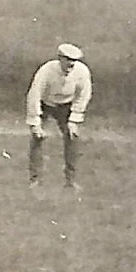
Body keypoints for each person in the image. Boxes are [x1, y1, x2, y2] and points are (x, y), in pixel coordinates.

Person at [25, 43, 93, 190]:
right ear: (60, 58)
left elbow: (84, 95)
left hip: (66, 106)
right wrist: (35, 122)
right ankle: (35, 180)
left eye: (74, 60)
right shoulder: (46, 71)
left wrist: (74, 119)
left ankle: (71, 181)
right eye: (68, 59)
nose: (71, 64)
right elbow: (34, 94)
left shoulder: (81, 72)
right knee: (37, 138)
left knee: (72, 137)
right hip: (46, 103)